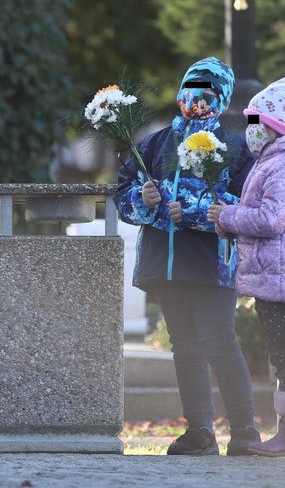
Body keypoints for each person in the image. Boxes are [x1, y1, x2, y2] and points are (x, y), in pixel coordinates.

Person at [114, 57, 261, 456]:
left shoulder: (234, 145)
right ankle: (199, 431)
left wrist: (193, 211)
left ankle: (245, 431)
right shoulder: (157, 143)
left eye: (208, 90)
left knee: (219, 342)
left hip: (210, 261)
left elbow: (245, 201)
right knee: (184, 346)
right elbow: (123, 191)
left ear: (223, 96)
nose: (197, 98)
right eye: (190, 88)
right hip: (165, 261)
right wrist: (142, 201)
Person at [208, 75, 285, 457]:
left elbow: (270, 219)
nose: (249, 131)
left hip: (281, 278)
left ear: (272, 126)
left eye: (253, 122)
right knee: (283, 353)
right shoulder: (278, 160)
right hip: (275, 277)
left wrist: (228, 216)